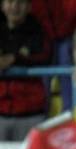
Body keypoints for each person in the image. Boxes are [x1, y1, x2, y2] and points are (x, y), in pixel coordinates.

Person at [0, 0, 51, 141]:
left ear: (29, 7)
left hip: (30, 114)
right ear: (2, 6)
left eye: (20, 2)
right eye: (10, 1)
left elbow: (44, 56)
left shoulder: (38, 31)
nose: (15, 6)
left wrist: (13, 58)